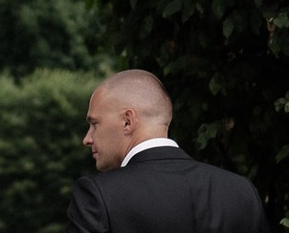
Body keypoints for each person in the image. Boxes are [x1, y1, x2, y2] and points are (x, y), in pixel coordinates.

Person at [65, 69, 270, 233]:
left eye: (94, 123)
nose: (87, 139)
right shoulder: (241, 192)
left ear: (128, 121)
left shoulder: (99, 195)